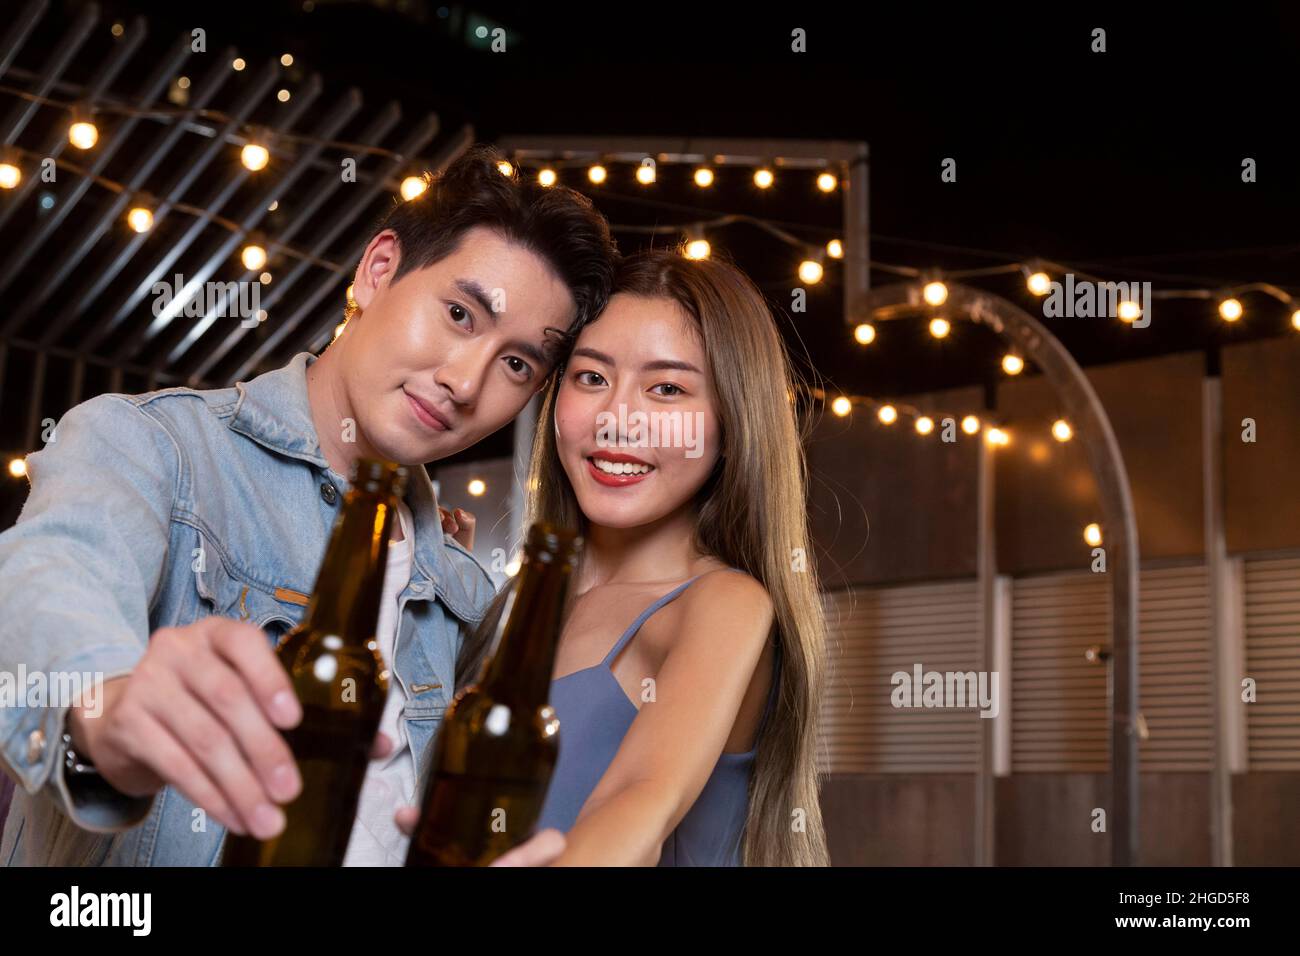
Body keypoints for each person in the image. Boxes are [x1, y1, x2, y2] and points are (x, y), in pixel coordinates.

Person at [0, 145, 617, 866]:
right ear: (379, 270)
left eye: (517, 363)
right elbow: (46, 587)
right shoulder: (155, 447)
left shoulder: (464, 597)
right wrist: (110, 712)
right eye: (458, 313)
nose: (465, 380)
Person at [434, 250, 831, 865]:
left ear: (731, 421)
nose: (618, 420)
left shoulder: (722, 604)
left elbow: (639, 797)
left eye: (666, 389)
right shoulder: (509, 608)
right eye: (591, 378)